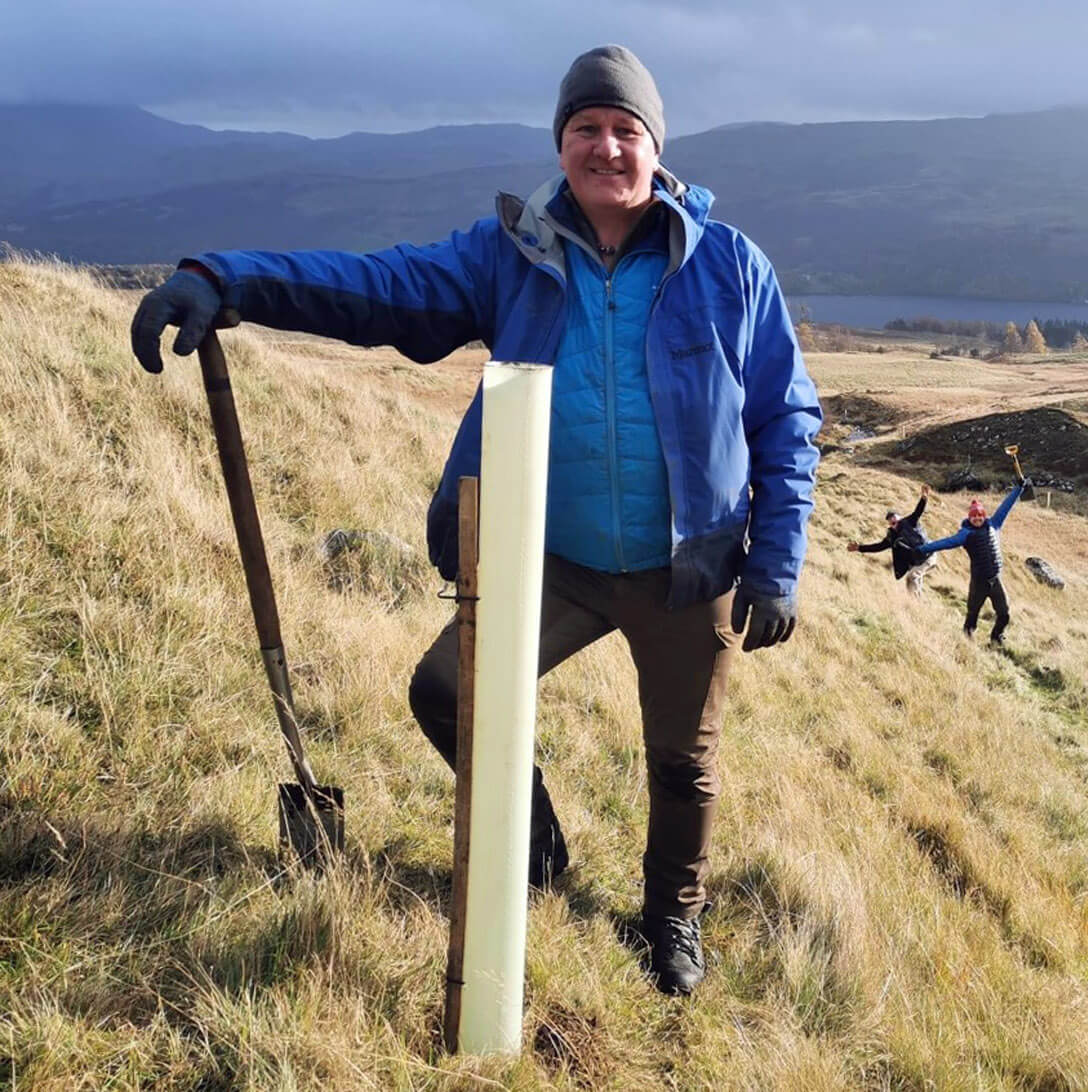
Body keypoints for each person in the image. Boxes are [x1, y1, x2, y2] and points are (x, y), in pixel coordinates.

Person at [129, 44, 822, 996]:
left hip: (685, 569)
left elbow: (785, 415)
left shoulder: (729, 266)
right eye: (586, 128)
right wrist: (229, 279)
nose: (606, 147)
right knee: (446, 691)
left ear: (657, 149)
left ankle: (671, 918)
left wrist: (776, 560)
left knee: (681, 762)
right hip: (553, 556)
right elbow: (378, 286)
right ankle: (533, 848)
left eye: (627, 130)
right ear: (562, 143)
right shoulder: (514, 254)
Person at [921, 479, 1027, 645]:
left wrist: (1019, 489)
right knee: (972, 614)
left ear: (984, 515)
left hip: (996, 580)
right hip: (979, 583)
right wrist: (923, 549)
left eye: (980, 515)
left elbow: (1006, 506)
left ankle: (996, 637)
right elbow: (944, 543)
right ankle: (966, 641)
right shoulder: (965, 534)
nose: (977, 518)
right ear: (969, 517)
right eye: (974, 515)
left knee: (1004, 614)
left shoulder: (994, 524)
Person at [847, 483, 938, 595]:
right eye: (889, 519)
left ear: (899, 518)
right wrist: (859, 548)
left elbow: (918, 511)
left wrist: (924, 498)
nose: (891, 520)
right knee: (914, 581)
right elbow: (878, 547)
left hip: (929, 555)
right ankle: (919, 606)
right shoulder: (892, 538)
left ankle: (914, 605)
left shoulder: (910, 521)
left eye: (894, 517)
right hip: (917, 562)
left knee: (912, 577)